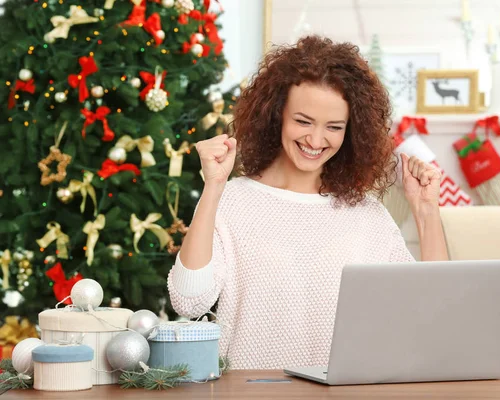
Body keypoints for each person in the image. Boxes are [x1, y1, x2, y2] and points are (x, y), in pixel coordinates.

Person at [167, 35, 448, 370]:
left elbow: (431, 310)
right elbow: (188, 299)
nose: (315, 140)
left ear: (351, 131)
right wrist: (214, 186)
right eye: (303, 121)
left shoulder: (366, 215)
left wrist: (426, 211)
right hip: (249, 392)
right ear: (276, 115)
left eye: (333, 127)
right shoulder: (232, 200)